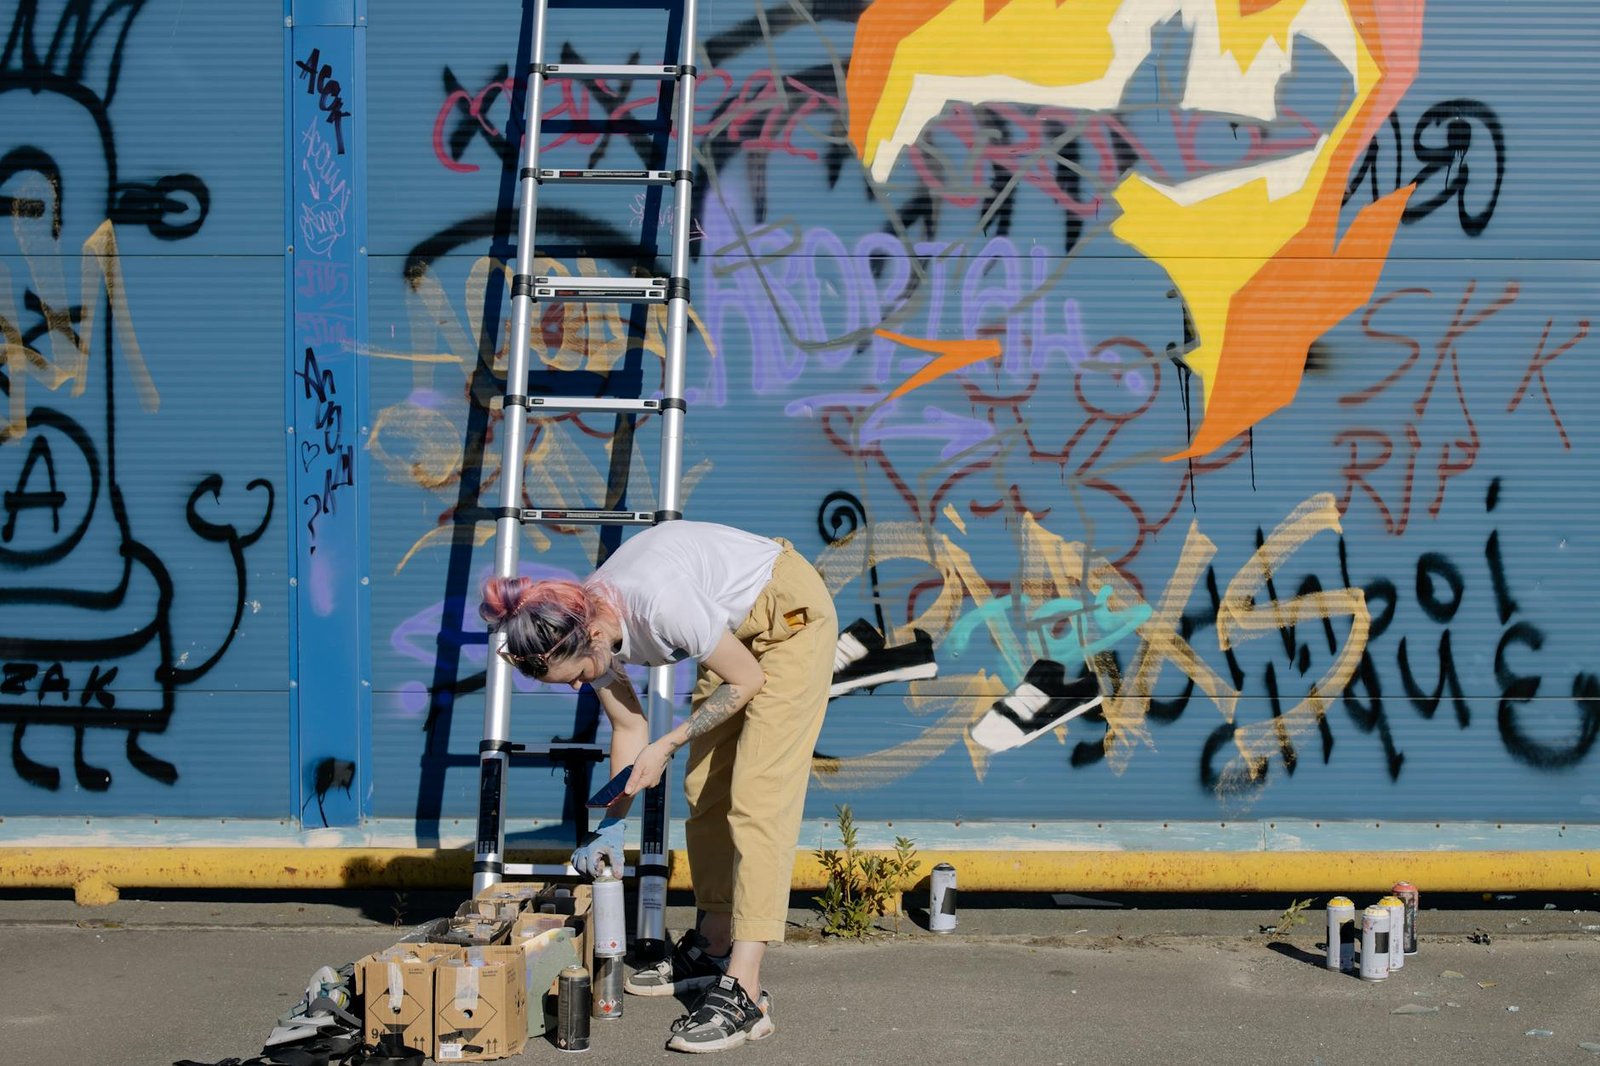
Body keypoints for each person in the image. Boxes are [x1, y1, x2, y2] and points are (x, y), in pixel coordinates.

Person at [480, 520, 836, 1054]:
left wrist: (667, 744)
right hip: (730, 630)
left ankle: (746, 990)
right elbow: (629, 727)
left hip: (789, 619)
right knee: (706, 790)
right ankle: (713, 947)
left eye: (576, 675)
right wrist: (611, 825)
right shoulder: (584, 619)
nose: (580, 685)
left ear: (593, 637)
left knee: (758, 800)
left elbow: (748, 681)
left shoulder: (658, 606)